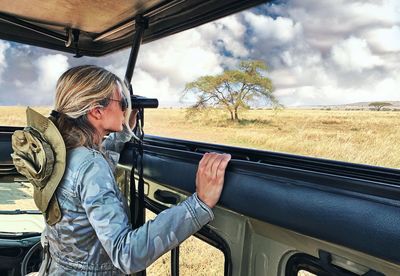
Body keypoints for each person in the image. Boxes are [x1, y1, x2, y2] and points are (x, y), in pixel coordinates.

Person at [38, 65, 231, 275]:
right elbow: (125, 254)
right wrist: (198, 205)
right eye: (122, 103)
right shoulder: (90, 164)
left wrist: (122, 132)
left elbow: (86, 183)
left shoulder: (59, 149)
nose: (125, 108)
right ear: (96, 110)